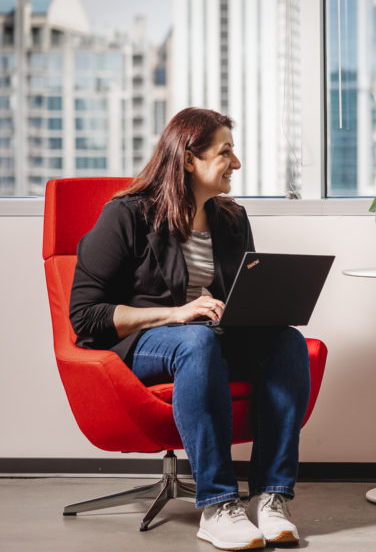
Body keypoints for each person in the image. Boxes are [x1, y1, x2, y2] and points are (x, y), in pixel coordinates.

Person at [69, 108, 310, 551]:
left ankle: (270, 497)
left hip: (210, 336)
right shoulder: (126, 216)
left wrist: (264, 309)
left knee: (288, 341)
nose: (235, 163)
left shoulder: (232, 219)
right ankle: (218, 505)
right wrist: (174, 313)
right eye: (225, 152)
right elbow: (85, 316)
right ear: (187, 159)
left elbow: (240, 296)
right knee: (196, 339)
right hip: (142, 343)